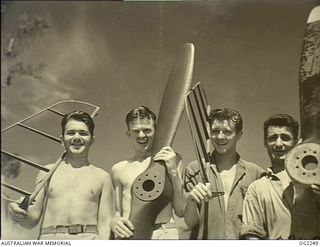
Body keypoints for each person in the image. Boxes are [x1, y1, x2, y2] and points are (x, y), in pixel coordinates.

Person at [8, 111, 114, 240]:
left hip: (87, 239)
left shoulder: (102, 177)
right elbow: (32, 219)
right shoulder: (47, 171)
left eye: (83, 133)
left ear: (92, 140)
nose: (76, 137)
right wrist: (19, 213)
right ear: (62, 139)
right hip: (50, 238)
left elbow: (105, 224)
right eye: (71, 132)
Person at [183, 108, 265, 239]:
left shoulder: (256, 173)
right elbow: (189, 222)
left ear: (239, 135)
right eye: (215, 131)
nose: (220, 137)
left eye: (227, 132)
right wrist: (192, 200)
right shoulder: (195, 169)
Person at [241, 114, 320, 239]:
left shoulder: (315, 181)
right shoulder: (257, 189)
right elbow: (252, 236)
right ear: (265, 143)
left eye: (285, 137)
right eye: (272, 138)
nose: (278, 144)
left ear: (297, 142)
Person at [110, 106, 184, 239]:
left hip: (164, 233)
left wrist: (173, 171)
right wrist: (114, 222)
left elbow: (180, 210)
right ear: (128, 133)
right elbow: (117, 214)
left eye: (147, 130)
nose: (142, 135)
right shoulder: (118, 169)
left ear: (156, 131)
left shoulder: (172, 159)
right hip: (132, 234)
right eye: (136, 131)